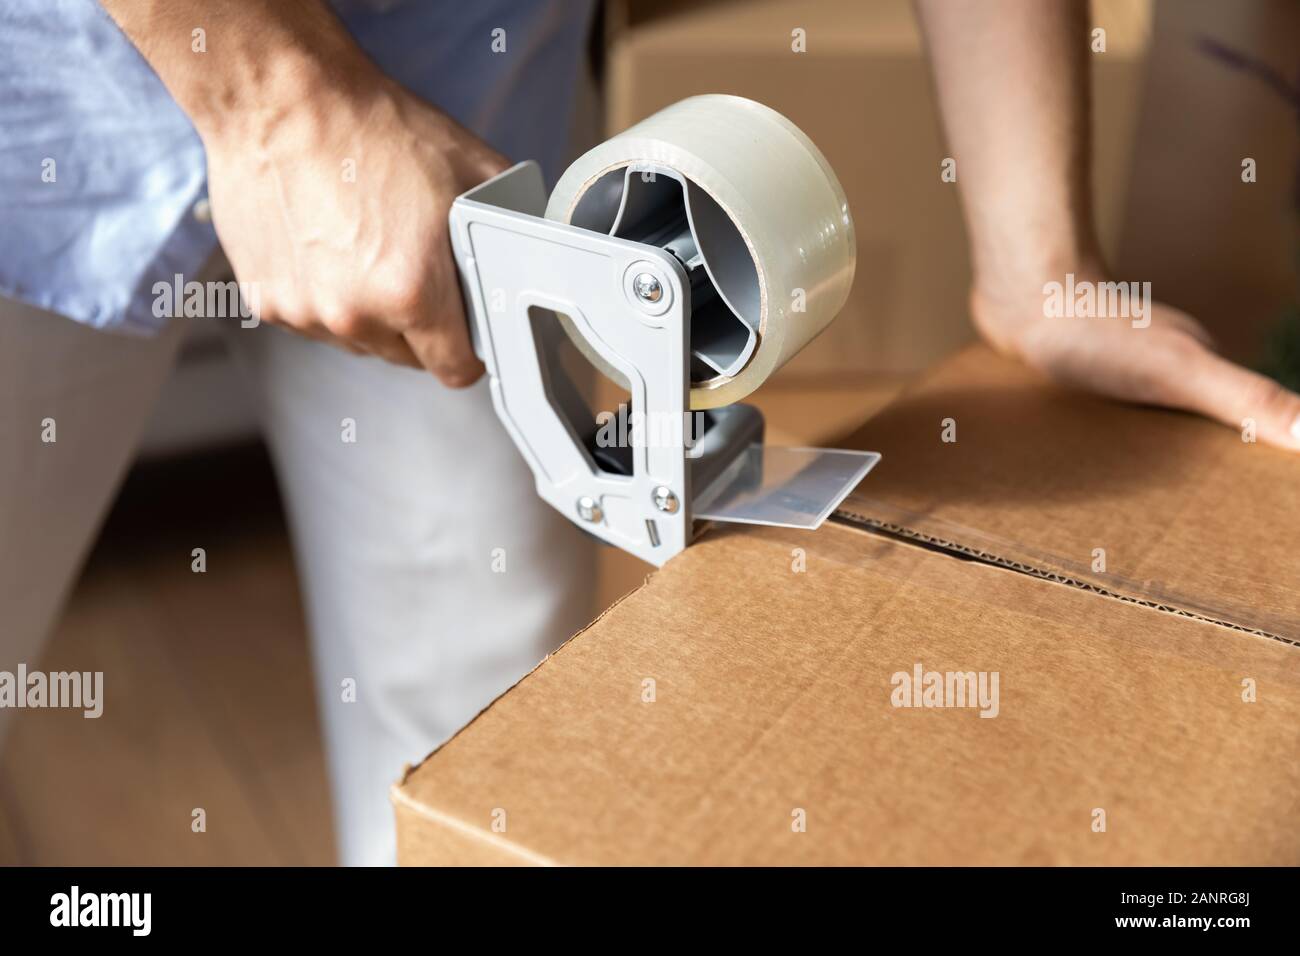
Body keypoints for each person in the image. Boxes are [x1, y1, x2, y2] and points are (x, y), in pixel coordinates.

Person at [1, 0, 1295, 866]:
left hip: (464, 101)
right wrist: (277, 103)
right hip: (52, 99)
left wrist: (1039, 257)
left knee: (484, 741)